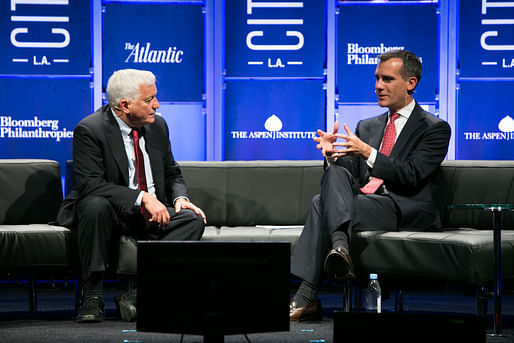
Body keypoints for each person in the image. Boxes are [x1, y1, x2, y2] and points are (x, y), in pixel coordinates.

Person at [289, 50, 451, 321]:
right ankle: (340, 249)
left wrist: (368, 153)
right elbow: (346, 177)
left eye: (387, 79)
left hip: (402, 207)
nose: (378, 86)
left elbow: (412, 175)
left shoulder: (434, 128)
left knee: (320, 203)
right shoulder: (368, 126)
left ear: (411, 83)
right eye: (377, 78)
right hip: (365, 202)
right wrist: (331, 156)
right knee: (335, 176)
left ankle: (307, 295)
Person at [68, 69, 206, 323]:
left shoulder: (158, 126)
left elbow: (171, 172)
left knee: (192, 220)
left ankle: (140, 294)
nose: (157, 104)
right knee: (93, 206)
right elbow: (90, 185)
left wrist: (179, 199)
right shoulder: (90, 130)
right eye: (149, 100)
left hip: (154, 212)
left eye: (155, 97)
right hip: (114, 212)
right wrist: (142, 198)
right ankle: (93, 295)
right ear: (125, 105)